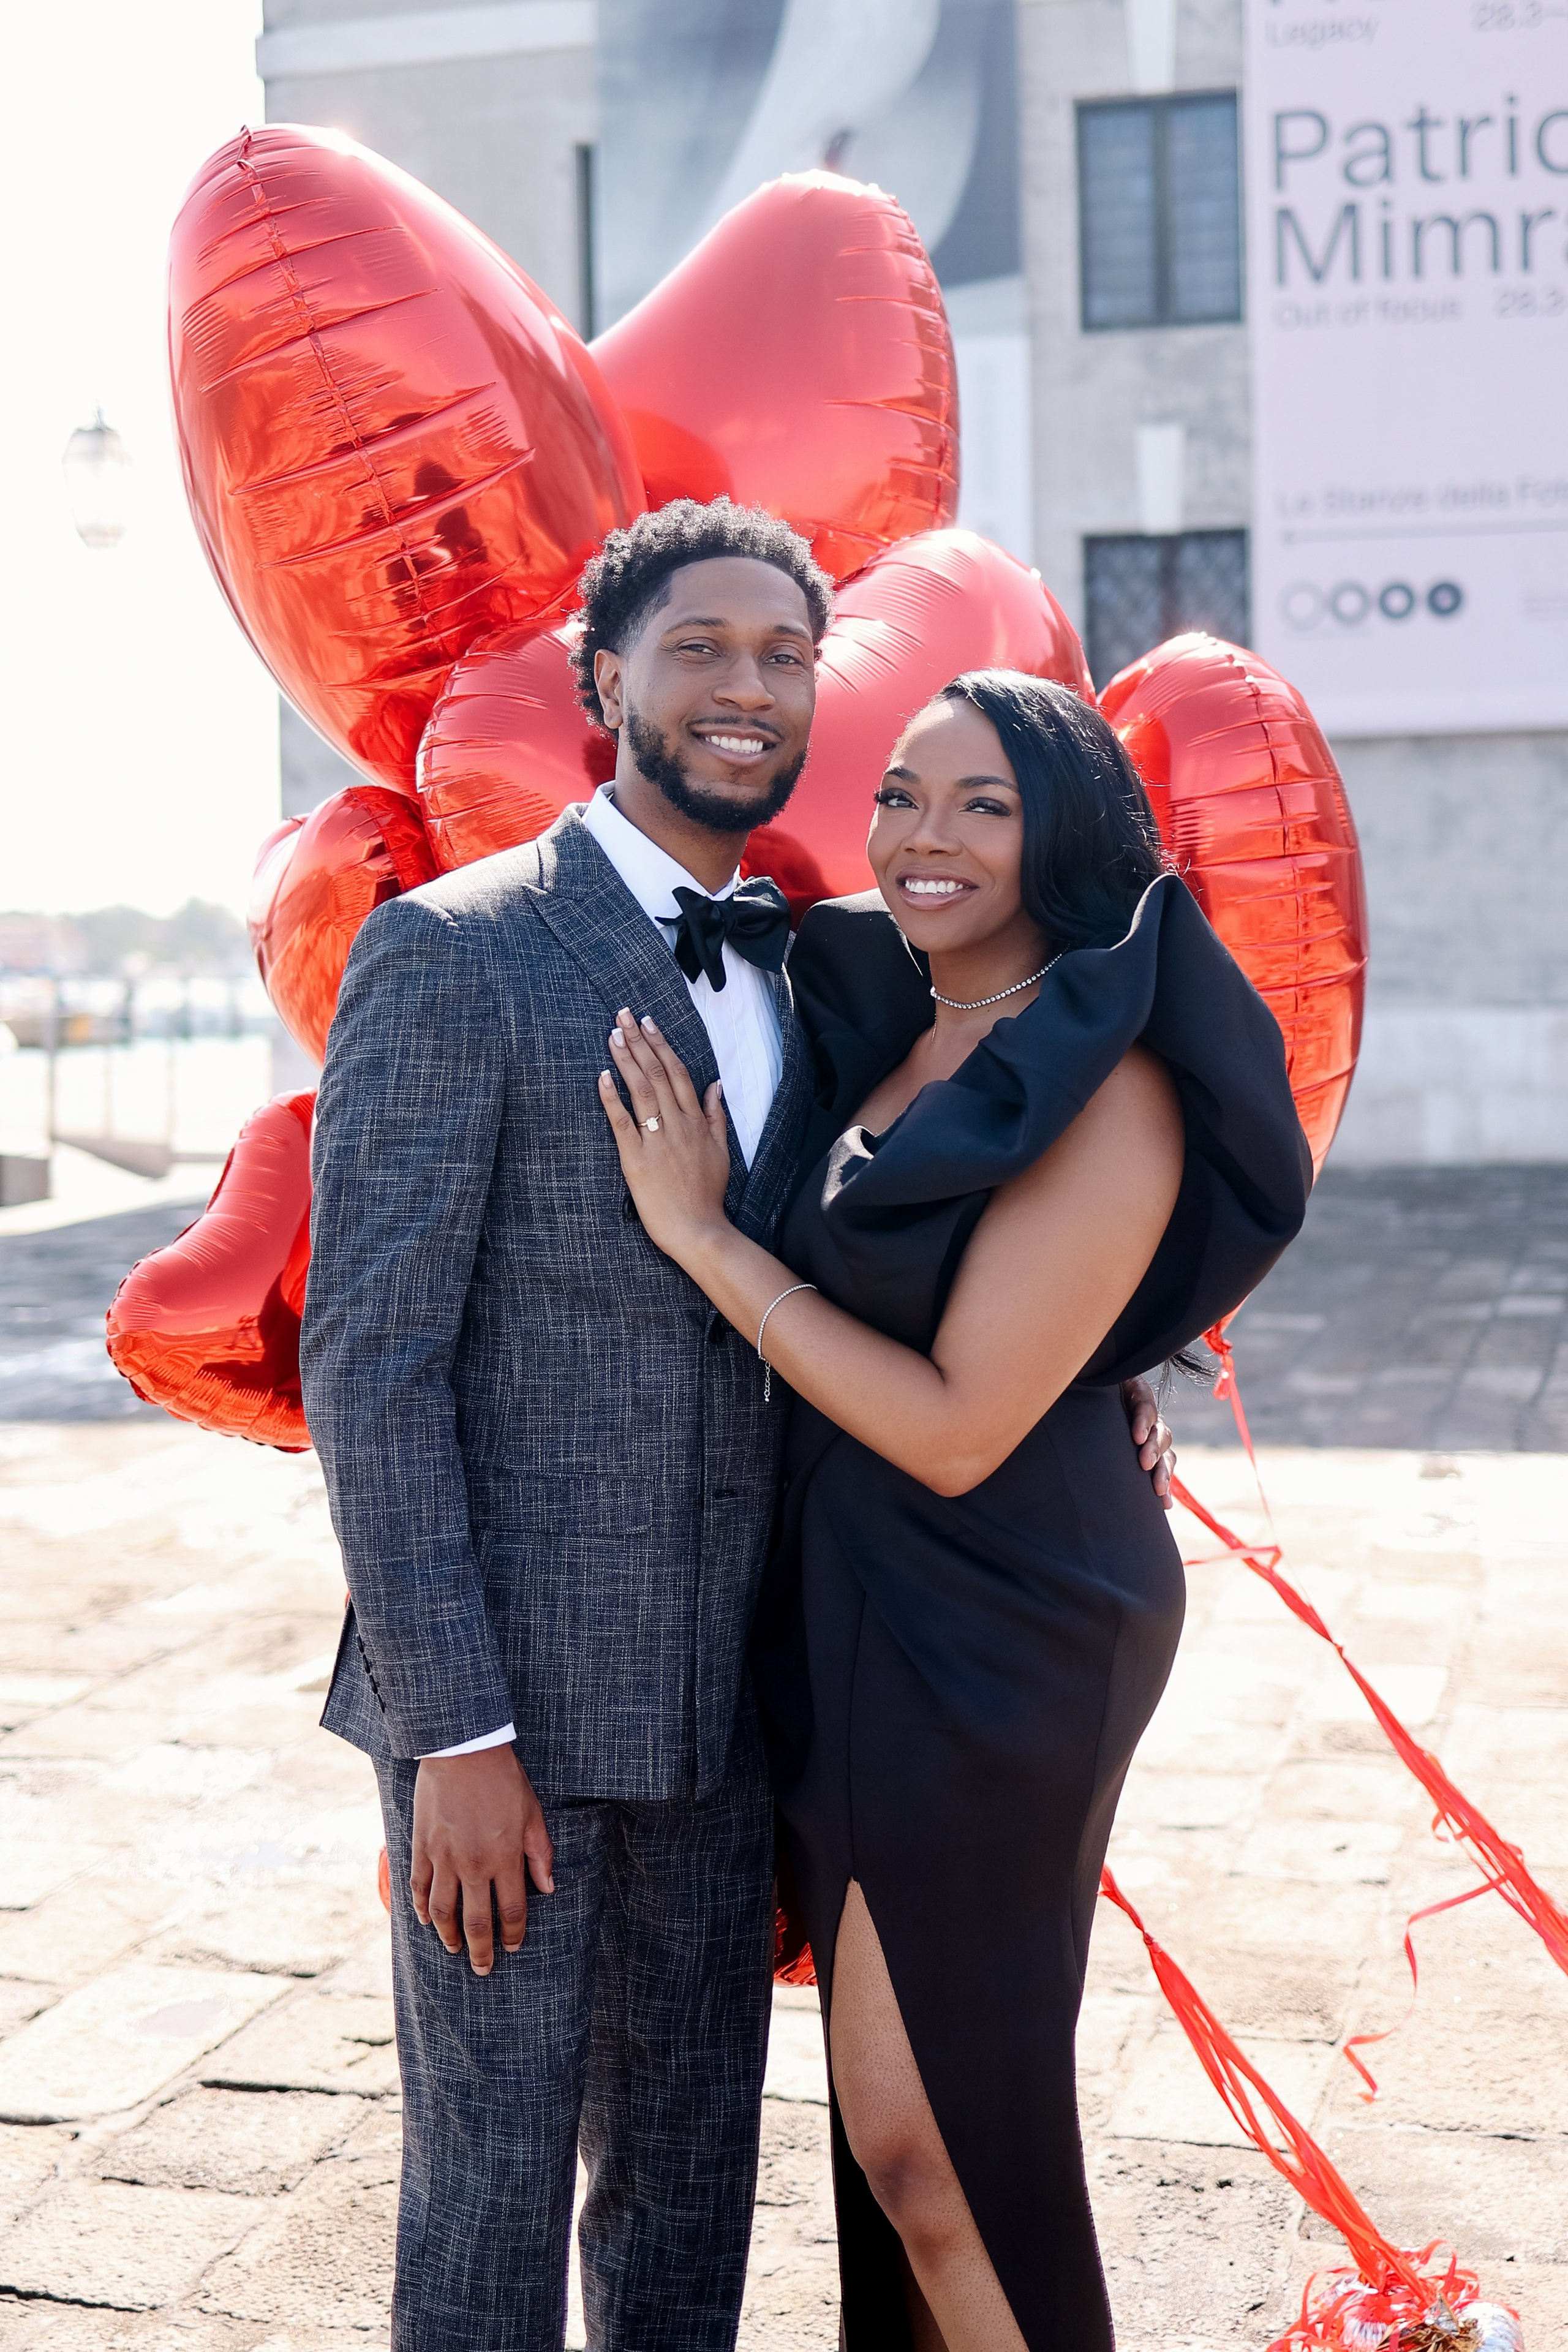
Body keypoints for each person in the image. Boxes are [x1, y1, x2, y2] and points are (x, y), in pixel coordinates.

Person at [301, 499, 1176, 2352]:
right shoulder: (451, 956)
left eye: (786, 655)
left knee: (695, 2188)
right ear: (606, 676)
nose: (748, 689)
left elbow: (952, 1201)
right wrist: (457, 1730)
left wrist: (1104, 1367)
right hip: (510, 1721)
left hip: (747, 1706)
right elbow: (371, 1372)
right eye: (702, 647)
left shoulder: (828, 969)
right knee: (492, 2191)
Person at [595, 668, 1311, 2352]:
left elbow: (964, 1423)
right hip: (856, 1606)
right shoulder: (879, 1015)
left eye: (982, 804)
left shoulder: (1108, 1077)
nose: (925, 836)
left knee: (948, 2143)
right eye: (903, 794)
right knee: (881, 2137)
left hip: (1008, 1610)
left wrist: (709, 1244)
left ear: (1058, 835)